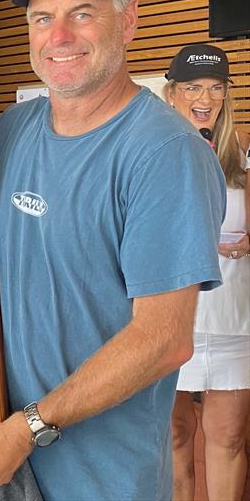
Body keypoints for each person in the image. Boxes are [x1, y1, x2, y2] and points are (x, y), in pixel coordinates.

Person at [0, 0, 226, 500]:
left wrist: (27, 429)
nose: (60, 37)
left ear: (129, 23)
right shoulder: (11, 130)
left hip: (99, 479)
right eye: (43, 18)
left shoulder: (164, 153)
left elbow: (163, 339)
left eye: (82, 14)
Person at [163, 44, 250, 501]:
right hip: (169, 318)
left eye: (217, 87)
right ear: (172, 92)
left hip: (232, 317)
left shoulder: (242, 149)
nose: (206, 97)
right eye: (194, 86)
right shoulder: (153, 148)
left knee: (230, 436)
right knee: (173, 437)